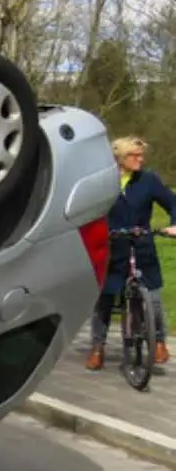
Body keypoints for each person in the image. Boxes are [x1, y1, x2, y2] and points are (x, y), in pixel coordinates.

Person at [86, 135, 176, 370]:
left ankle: (159, 342)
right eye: (134, 156)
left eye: (141, 155)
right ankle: (98, 347)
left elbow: (172, 202)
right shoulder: (104, 182)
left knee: (152, 295)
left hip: (141, 245)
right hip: (112, 248)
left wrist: (174, 224)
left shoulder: (148, 180)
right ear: (120, 158)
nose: (140, 159)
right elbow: (88, 211)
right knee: (105, 298)